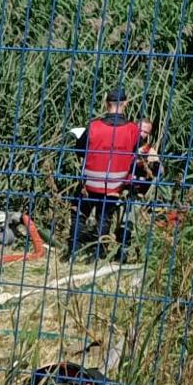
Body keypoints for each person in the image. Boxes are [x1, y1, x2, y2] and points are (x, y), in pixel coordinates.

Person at [70, 88, 142, 262]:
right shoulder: (133, 130)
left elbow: (79, 151)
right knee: (104, 217)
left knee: (79, 213)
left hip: (91, 183)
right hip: (115, 185)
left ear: (106, 104)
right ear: (125, 104)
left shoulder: (93, 126)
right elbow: (135, 153)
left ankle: (73, 251)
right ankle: (98, 253)